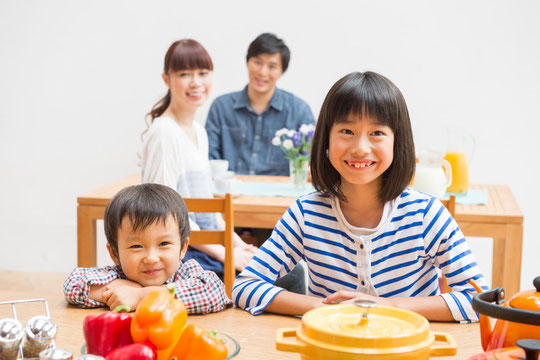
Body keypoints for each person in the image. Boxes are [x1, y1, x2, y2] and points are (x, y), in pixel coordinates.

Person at [232, 72, 488, 322]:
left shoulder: (425, 215)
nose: (360, 148)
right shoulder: (306, 213)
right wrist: (321, 308)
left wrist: (386, 307)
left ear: (397, 142)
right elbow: (245, 287)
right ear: (326, 139)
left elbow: (479, 301)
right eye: (346, 131)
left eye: (377, 133)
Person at [138, 39, 257, 278]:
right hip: (184, 256)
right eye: (184, 74)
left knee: (284, 270)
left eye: (203, 73)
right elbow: (164, 215)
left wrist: (237, 246)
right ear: (167, 79)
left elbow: (208, 216)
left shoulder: (198, 132)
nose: (196, 83)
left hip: (207, 249)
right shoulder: (164, 133)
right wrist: (226, 254)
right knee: (282, 280)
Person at [64, 184, 231, 314]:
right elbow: (74, 284)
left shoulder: (185, 272)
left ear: (183, 248)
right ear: (114, 253)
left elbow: (214, 290)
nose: (151, 258)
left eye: (164, 244)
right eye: (136, 246)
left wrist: (142, 296)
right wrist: (125, 289)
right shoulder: (118, 275)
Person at [205, 33, 315, 176]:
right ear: (247, 62)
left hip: (280, 196)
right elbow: (208, 158)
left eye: (272, 66)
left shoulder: (299, 110)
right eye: (257, 62)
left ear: (282, 71)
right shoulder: (221, 107)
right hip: (229, 193)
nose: (263, 72)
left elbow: (311, 161)